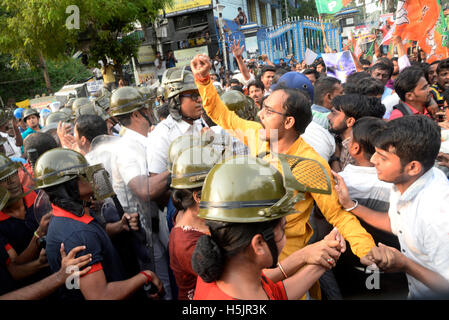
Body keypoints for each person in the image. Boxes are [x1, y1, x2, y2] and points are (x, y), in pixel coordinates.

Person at [190, 54, 376, 299]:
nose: (259, 116)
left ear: (288, 121)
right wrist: (203, 80)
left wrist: (367, 251)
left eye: (268, 111)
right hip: (252, 259)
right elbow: (223, 116)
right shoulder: (259, 136)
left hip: (290, 262)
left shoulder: (311, 165)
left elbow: (338, 215)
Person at [192, 155, 344, 300]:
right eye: (283, 230)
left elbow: (277, 293)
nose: (284, 238)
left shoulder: (218, 268)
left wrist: (321, 258)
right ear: (258, 244)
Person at [332, 115, 449, 299]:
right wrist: (350, 205)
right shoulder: (406, 183)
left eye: (383, 157)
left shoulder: (438, 216)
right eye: (376, 152)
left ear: (412, 167)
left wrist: (405, 264)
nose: (373, 160)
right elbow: (395, 221)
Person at [33, 148, 165, 300]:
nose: (91, 177)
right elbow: (100, 295)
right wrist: (145, 276)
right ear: (69, 186)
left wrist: (119, 227)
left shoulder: (71, 216)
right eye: (84, 174)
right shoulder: (78, 235)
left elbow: (95, 236)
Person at [108, 86, 173, 299]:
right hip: (146, 232)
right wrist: (176, 169)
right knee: (162, 288)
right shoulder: (127, 148)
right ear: (137, 114)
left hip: (156, 223)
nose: (152, 110)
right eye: (148, 106)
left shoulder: (143, 141)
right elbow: (144, 190)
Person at [333, 117, 408, 298]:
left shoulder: (342, 182)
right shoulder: (398, 182)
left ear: (355, 148)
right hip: (395, 262)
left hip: (352, 260)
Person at [168, 145, 220, 300]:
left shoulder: (195, 216)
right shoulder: (186, 243)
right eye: (218, 187)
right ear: (198, 196)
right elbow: (236, 278)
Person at [328, 94, 386, 172]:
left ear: (350, 121)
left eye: (334, 113)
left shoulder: (360, 150)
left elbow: (341, 180)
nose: (328, 116)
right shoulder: (337, 140)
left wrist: (335, 158)